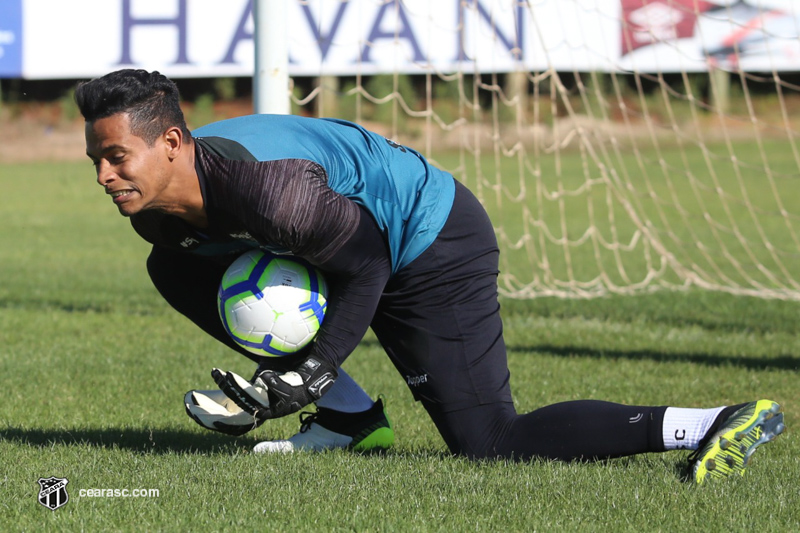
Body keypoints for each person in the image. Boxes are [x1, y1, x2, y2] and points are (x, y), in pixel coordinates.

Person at [75, 69, 784, 483]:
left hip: (428, 239)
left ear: (171, 142)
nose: (105, 176)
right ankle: (354, 422)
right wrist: (290, 369)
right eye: (96, 160)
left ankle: (710, 421)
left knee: (489, 440)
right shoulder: (158, 219)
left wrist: (309, 370)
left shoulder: (272, 192)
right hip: (343, 240)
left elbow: (369, 263)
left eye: (117, 156)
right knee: (172, 268)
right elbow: (308, 258)